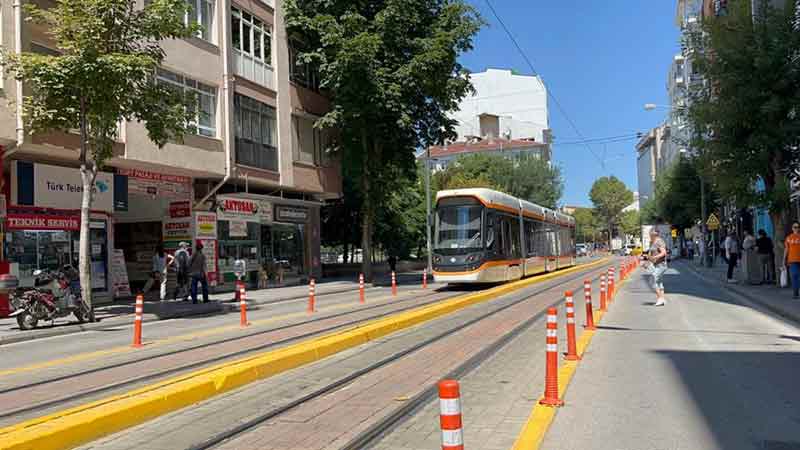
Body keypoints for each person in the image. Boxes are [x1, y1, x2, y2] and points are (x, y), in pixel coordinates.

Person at [645, 228, 669, 307]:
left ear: (654, 234)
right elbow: (650, 254)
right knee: (659, 282)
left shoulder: (659, 241)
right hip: (655, 265)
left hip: (661, 265)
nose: (649, 235)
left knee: (652, 280)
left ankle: (660, 298)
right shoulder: (652, 242)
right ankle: (663, 299)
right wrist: (647, 261)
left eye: (650, 233)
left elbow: (663, 253)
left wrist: (655, 257)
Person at [784, 222, 800, 299]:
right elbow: (786, 249)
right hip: (792, 260)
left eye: (797, 227)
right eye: (795, 227)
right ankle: (795, 293)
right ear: (792, 228)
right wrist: (783, 260)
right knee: (794, 276)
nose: (796, 228)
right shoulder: (789, 238)